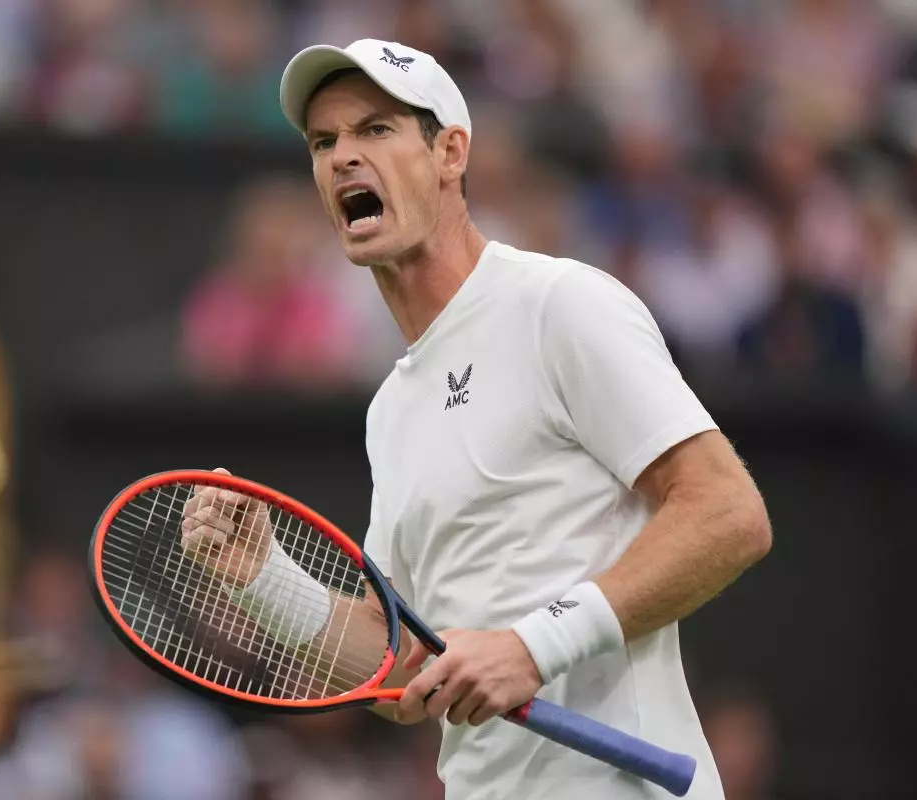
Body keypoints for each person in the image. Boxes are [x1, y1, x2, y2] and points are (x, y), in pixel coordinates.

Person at [182, 38, 773, 800]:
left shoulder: (559, 305)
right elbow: (399, 666)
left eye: (376, 130)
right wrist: (263, 578)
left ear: (450, 153)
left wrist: (533, 645)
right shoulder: (390, 410)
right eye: (324, 142)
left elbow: (730, 511)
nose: (343, 158)